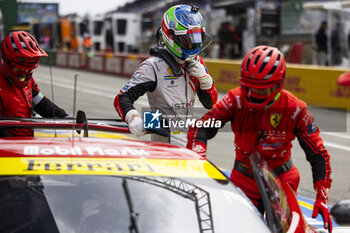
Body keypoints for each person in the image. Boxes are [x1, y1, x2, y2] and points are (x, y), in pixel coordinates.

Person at [187, 45, 332, 232]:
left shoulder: (296, 109)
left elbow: (318, 154)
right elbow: (202, 127)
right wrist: (197, 160)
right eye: (249, 87)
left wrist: (322, 196)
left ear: (280, 84)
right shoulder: (234, 99)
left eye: (262, 90)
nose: (254, 95)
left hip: (282, 179)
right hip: (244, 179)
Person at [114, 5, 218, 147]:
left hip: (189, 140)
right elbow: (122, 98)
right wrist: (134, 118)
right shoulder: (152, 66)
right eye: (186, 39)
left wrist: (206, 81)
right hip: (164, 146)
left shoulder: (197, 63)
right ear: (170, 35)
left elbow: (210, 104)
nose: (191, 44)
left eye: (196, 38)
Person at [0, 31, 68, 137]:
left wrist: (66, 118)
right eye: (20, 70)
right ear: (6, 61)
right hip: (8, 148)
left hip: (26, 144)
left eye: (29, 70)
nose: (24, 75)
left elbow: (40, 103)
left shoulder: (28, 81)